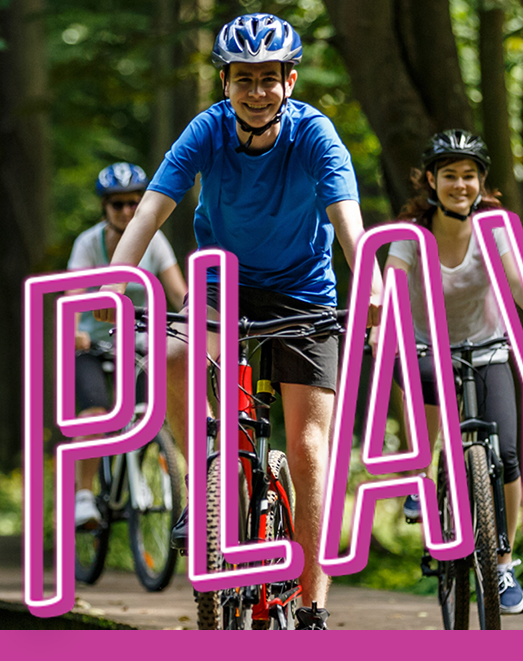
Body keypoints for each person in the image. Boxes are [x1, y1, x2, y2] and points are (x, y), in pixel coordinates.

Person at [94, 14, 382, 629]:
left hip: (305, 295)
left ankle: (311, 605)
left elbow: (349, 225)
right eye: (244, 79)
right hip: (223, 286)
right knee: (172, 355)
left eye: (269, 79)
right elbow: (150, 212)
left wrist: (374, 287)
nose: (256, 92)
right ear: (225, 82)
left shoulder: (315, 135)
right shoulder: (207, 131)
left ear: (290, 80)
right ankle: (206, 488)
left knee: (307, 452)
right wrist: (112, 278)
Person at [371, 130, 523, 615]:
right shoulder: (412, 233)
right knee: (427, 399)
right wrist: (382, 326)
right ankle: (421, 477)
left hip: (487, 345)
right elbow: (393, 279)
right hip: (422, 344)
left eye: (469, 175)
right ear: (431, 181)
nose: (460, 184)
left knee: (511, 453)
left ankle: (503, 563)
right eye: (450, 175)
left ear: (481, 183)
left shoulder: (493, 229)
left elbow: (516, 279)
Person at [68, 162, 187, 528]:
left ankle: (169, 482)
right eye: (117, 204)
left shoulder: (155, 241)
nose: (125, 211)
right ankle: (84, 496)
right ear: (105, 208)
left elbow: (180, 293)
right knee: (94, 417)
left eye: (133, 203)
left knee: (147, 413)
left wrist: (189, 324)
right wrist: (74, 331)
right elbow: (73, 294)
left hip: (142, 345)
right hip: (94, 345)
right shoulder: (89, 244)